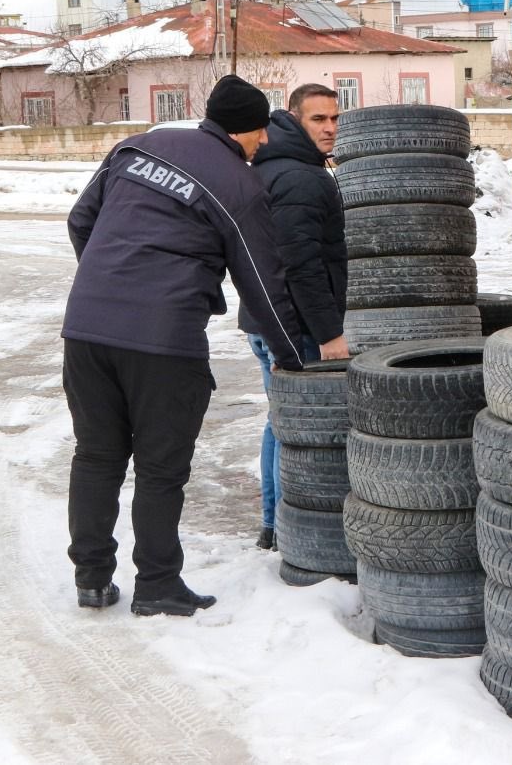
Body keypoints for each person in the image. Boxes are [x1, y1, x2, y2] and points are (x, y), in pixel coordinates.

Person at [62, 74, 306, 617]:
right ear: (243, 131)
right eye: (260, 132)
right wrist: (294, 357)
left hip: (85, 330)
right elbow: (263, 284)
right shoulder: (238, 186)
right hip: (164, 341)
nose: (264, 143)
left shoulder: (138, 144)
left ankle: (92, 579)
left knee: (96, 455)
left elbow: (81, 219)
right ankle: (157, 584)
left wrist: (110, 285)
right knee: (159, 467)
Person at [240, 83, 349, 551]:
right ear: (293, 118)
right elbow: (301, 263)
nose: (329, 128)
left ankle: (273, 523)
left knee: (279, 424)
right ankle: (288, 528)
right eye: (317, 120)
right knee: (299, 433)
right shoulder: (302, 178)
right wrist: (328, 334)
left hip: (265, 317)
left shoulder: (273, 165)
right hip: (295, 325)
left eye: (334, 118)